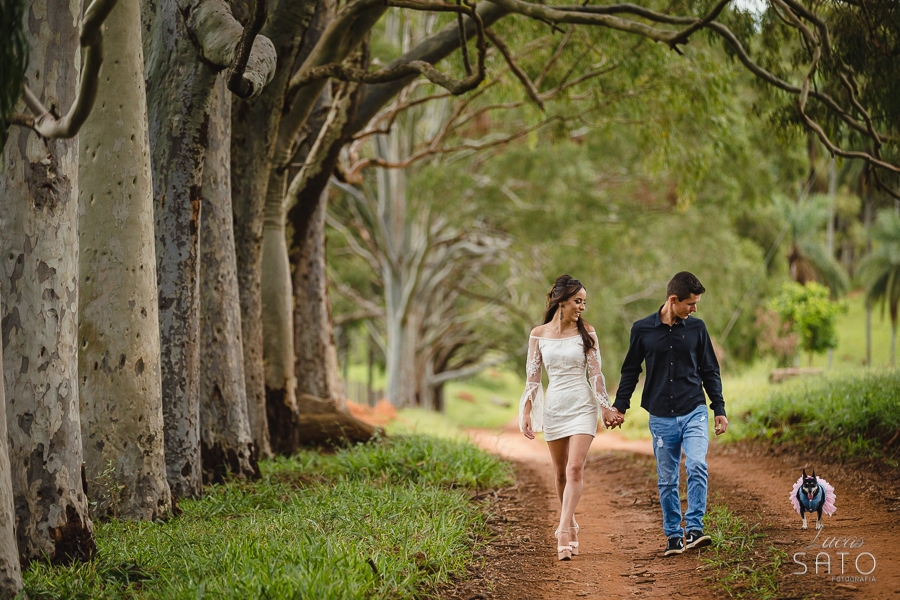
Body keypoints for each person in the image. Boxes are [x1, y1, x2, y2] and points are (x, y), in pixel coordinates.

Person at [611, 271, 728, 557]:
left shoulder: (697, 329)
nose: (695, 309)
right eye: (690, 304)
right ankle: (674, 536)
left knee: (697, 464)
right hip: (660, 416)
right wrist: (620, 406)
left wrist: (719, 409)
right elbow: (630, 370)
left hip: (694, 411)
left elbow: (710, 370)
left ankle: (695, 529)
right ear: (673, 300)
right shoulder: (642, 330)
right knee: (667, 479)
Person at [519, 275, 623, 561]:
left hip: (582, 405)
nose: (582, 307)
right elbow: (533, 378)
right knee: (559, 472)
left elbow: (596, 374)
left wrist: (604, 407)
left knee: (575, 468)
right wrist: (527, 411)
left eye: (584, 302)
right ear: (561, 301)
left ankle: (563, 529)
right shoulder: (538, 334)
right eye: (578, 301)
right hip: (554, 407)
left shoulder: (587, 332)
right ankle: (572, 521)